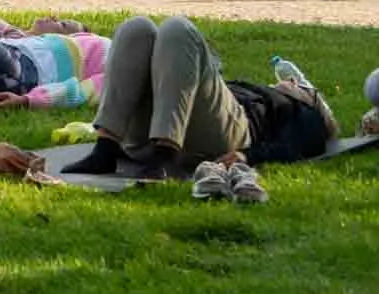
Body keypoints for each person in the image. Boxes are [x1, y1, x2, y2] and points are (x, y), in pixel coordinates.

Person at [65, 15, 340, 183]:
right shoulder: (240, 90)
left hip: (219, 141)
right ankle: (106, 148)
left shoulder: (296, 108)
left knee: (178, 29)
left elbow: (310, 140)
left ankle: (165, 156)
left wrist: (249, 156)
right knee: (137, 28)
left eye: (300, 85)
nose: (291, 81)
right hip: (142, 143)